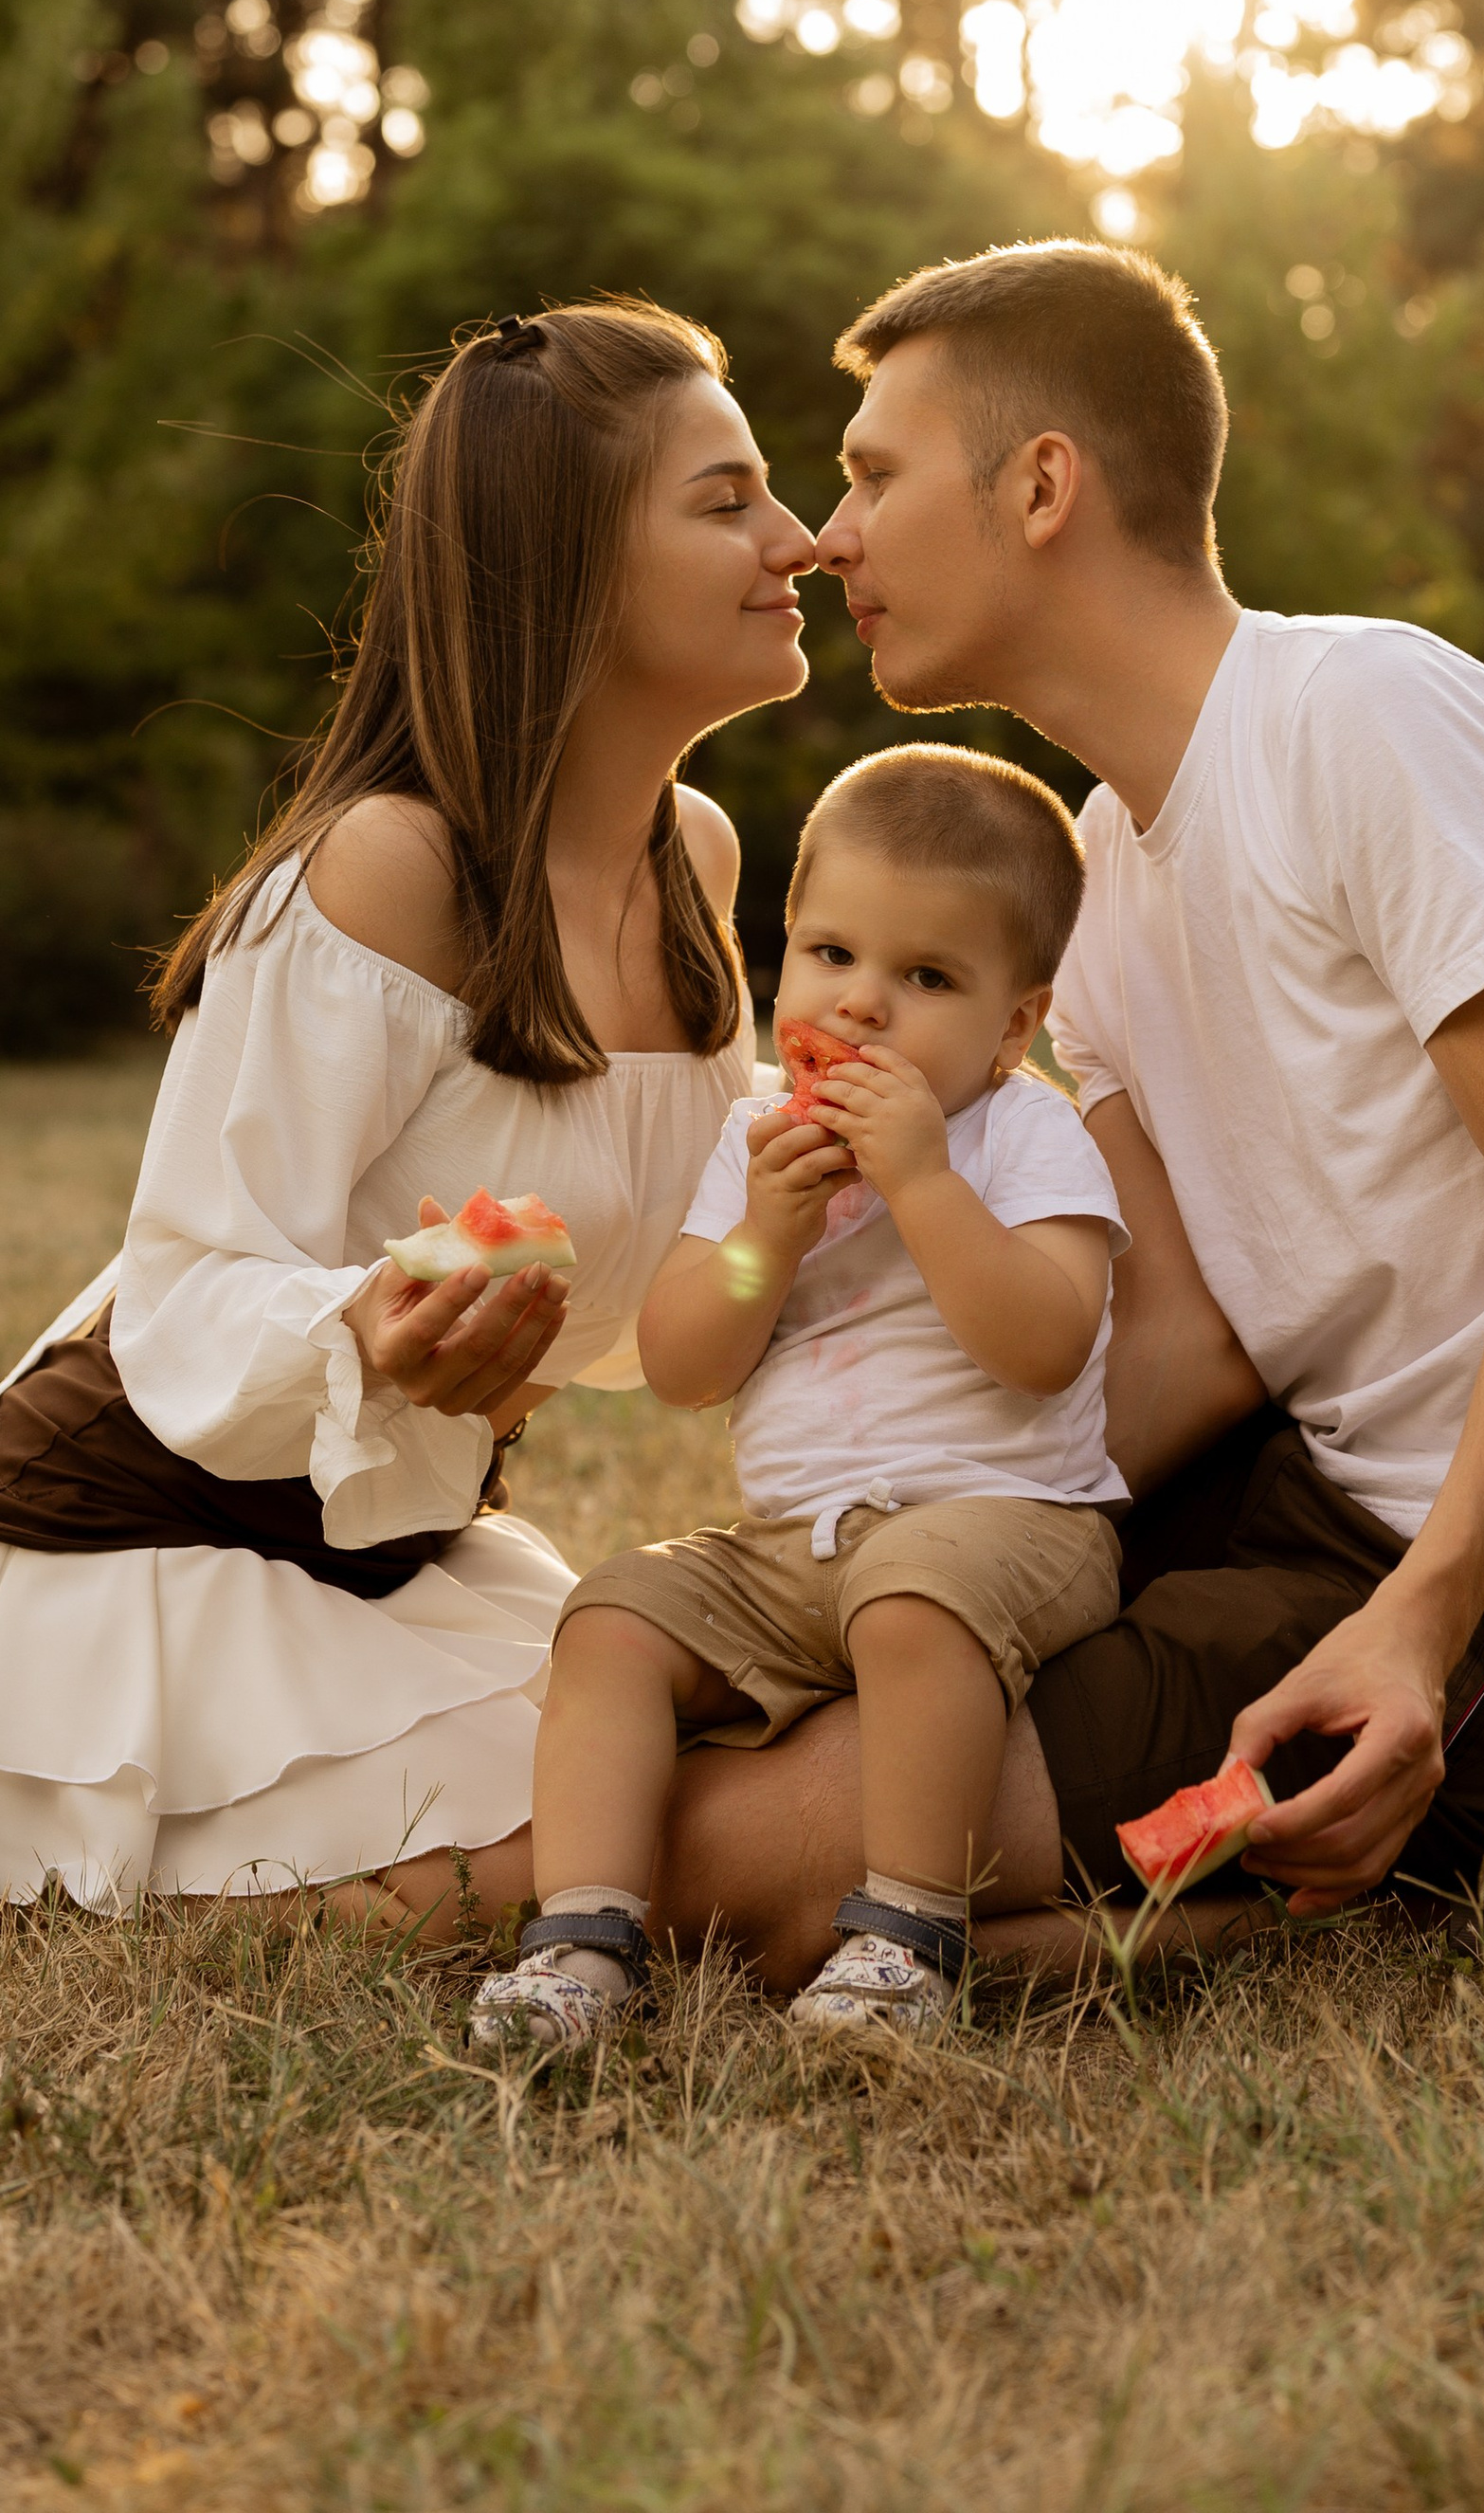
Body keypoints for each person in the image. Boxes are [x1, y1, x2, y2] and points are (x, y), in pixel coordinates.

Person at [653, 240, 1484, 1976]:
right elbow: (1190, 1347)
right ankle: (1270, 1890)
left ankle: (1303, 1890)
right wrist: (897, 1520)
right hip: (1296, 1498)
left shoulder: (1369, 717)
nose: (829, 536)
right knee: (779, 1703)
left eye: (874, 473)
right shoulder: (1093, 873)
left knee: (738, 1860)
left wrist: (1420, 1624)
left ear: (1043, 486)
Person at [0, 301, 815, 1935]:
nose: (795, 540)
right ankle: (74, 1870)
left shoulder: (699, 865)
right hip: (137, 1569)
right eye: (726, 500)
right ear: (568, 559)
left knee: (718, 1779)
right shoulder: (389, 870)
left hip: (388, 1551)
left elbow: (674, 1280)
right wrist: (373, 1324)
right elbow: (185, 1290)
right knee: (629, 1861)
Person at [469, 743, 1127, 2049]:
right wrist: (769, 1226)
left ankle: (904, 1938)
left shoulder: (1022, 1131)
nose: (865, 1006)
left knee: (914, 1595)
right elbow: (683, 1365)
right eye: (832, 957)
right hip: (795, 1550)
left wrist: (926, 1187)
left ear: (1012, 1024)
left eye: (926, 977)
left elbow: (1045, 1342)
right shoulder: (757, 1146)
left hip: (1012, 1521)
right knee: (612, 1616)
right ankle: (584, 1944)